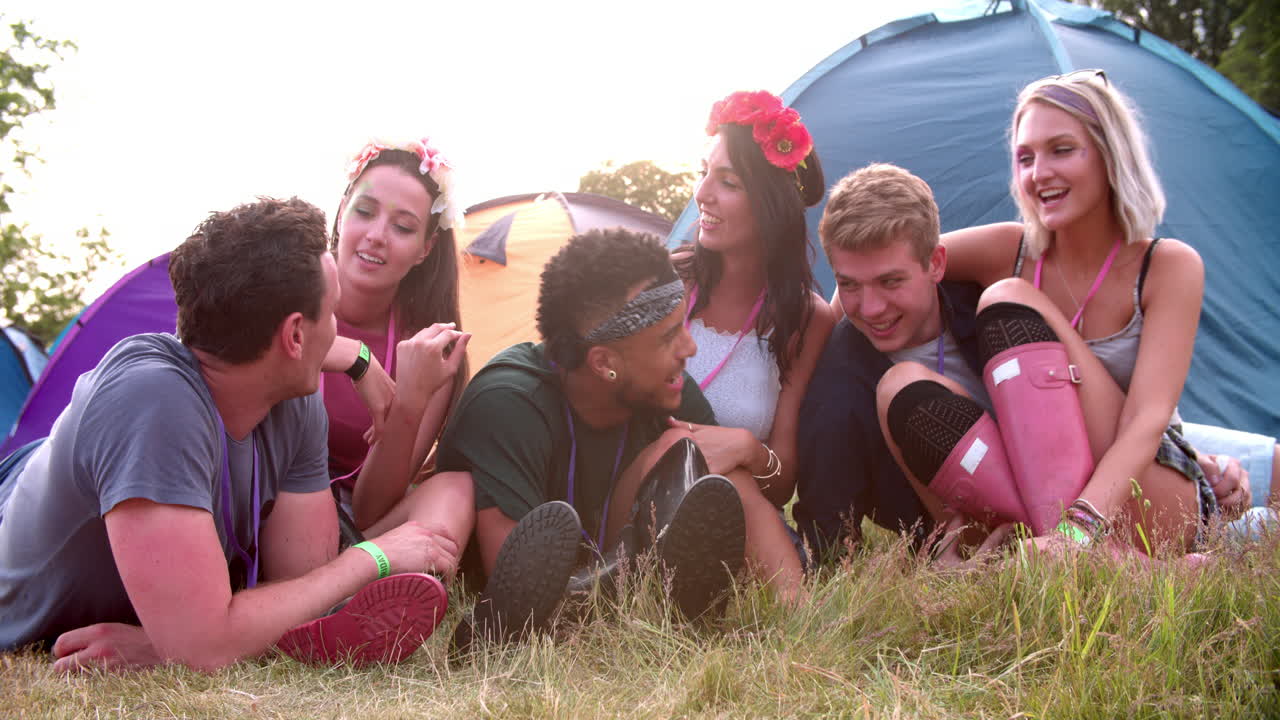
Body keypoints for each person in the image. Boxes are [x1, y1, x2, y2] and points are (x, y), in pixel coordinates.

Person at [0, 197, 457, 671]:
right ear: (296, 336)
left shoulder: (294, 401)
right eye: (334, 312)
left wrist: (162, 644)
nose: (338, 332)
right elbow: (205, 646)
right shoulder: (151, 399)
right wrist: (373, 557)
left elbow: (304, 584)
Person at [879, 70, 1224, 555]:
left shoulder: (1167, 266)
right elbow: (890, 265)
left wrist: (1080, 527)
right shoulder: (1008, 248)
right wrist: (837, 312)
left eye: (1062, 150)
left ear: (1109, 154)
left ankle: (1086, 552)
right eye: (1025, 157)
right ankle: (1022, 554)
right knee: (899, 387)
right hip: (1036, 490)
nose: (1039, 173)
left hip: (1146, 490)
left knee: (1007, 300)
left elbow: (1147, 418)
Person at [439, 228, 804, 649]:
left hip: (609, 556)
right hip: (542, 580)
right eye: (669, 337)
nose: (689, 348)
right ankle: (632, 593)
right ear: (604, 363)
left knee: (696, 456)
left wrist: (752, 451)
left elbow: (749, 490)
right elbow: (516, 581)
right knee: (684, 451)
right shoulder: (509, 402)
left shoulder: (668, 386)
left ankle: (796, 609)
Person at [677, 90, 835, 587]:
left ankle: (796, 622)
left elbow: (782, 478)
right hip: (639, 485)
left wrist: (745, 447)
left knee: (734, 481)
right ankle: (798, 609)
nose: (703, 194)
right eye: (705, 173)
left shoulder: (806, 318)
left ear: (770, 203)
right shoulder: (668, 283)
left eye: (728, 182)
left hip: (734, 511)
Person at [794, 163, 985, 560]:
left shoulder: (991, 308)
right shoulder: (838, 388)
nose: (871, 309)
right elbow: (827, 534)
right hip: (973, 543)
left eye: (890, 281)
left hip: (1070, 512)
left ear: (935, 263)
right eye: (848, 284)